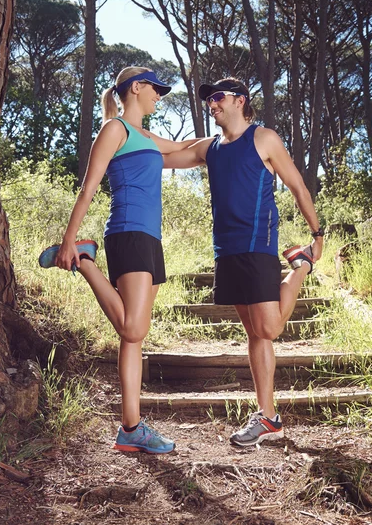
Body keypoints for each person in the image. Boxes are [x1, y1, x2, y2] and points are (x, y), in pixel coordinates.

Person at [39, 66, 199, 454]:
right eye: (155, 89)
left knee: (134, 337)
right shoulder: (115, 130)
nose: (159, 96)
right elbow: (89, 186)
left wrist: (230, 141)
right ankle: (84, 259)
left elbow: (186, 151)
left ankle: (130, 427)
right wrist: (66, 240)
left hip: (150, 239)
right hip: (128, 232)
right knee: (132, 328)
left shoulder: (146, 136)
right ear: (136, 88)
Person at [163, 78, 324, 447]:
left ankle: (301, 265)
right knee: (254, 333)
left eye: (218, 98)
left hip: (258, 245)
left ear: (240, 100)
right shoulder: (210, 148)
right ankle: (268, 416)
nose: (211, 104)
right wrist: (125, 136)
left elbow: (298, 185)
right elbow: (167, 157)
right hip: (226, 250)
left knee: (268, 329)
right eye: (208, 100)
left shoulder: (263, 138)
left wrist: (318, 233)